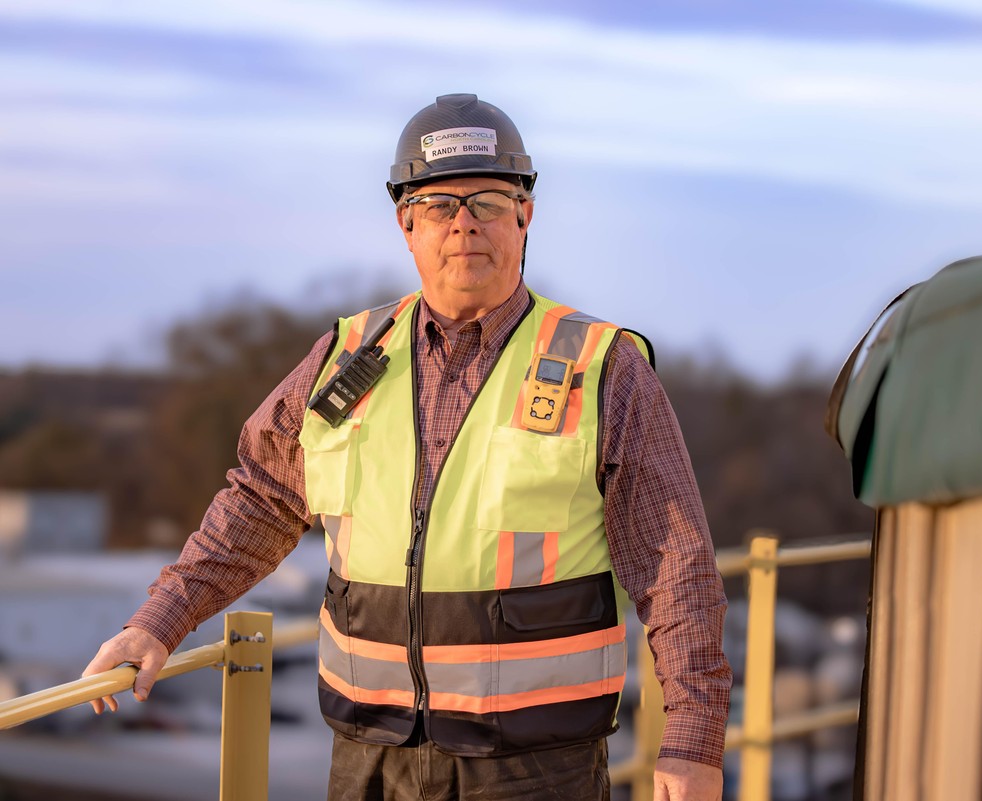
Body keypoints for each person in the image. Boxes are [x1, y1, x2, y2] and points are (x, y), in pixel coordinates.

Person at [83, 93, 731, 801]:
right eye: (439, 205)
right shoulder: (345, 357)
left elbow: (676, 565)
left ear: (526, 214)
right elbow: (261, 499)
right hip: (370, 758)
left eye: (487, 200)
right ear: (406, 223)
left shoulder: (600, 366)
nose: (464, 225)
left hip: (534, 767)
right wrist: (158, 623)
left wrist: (692, 740)